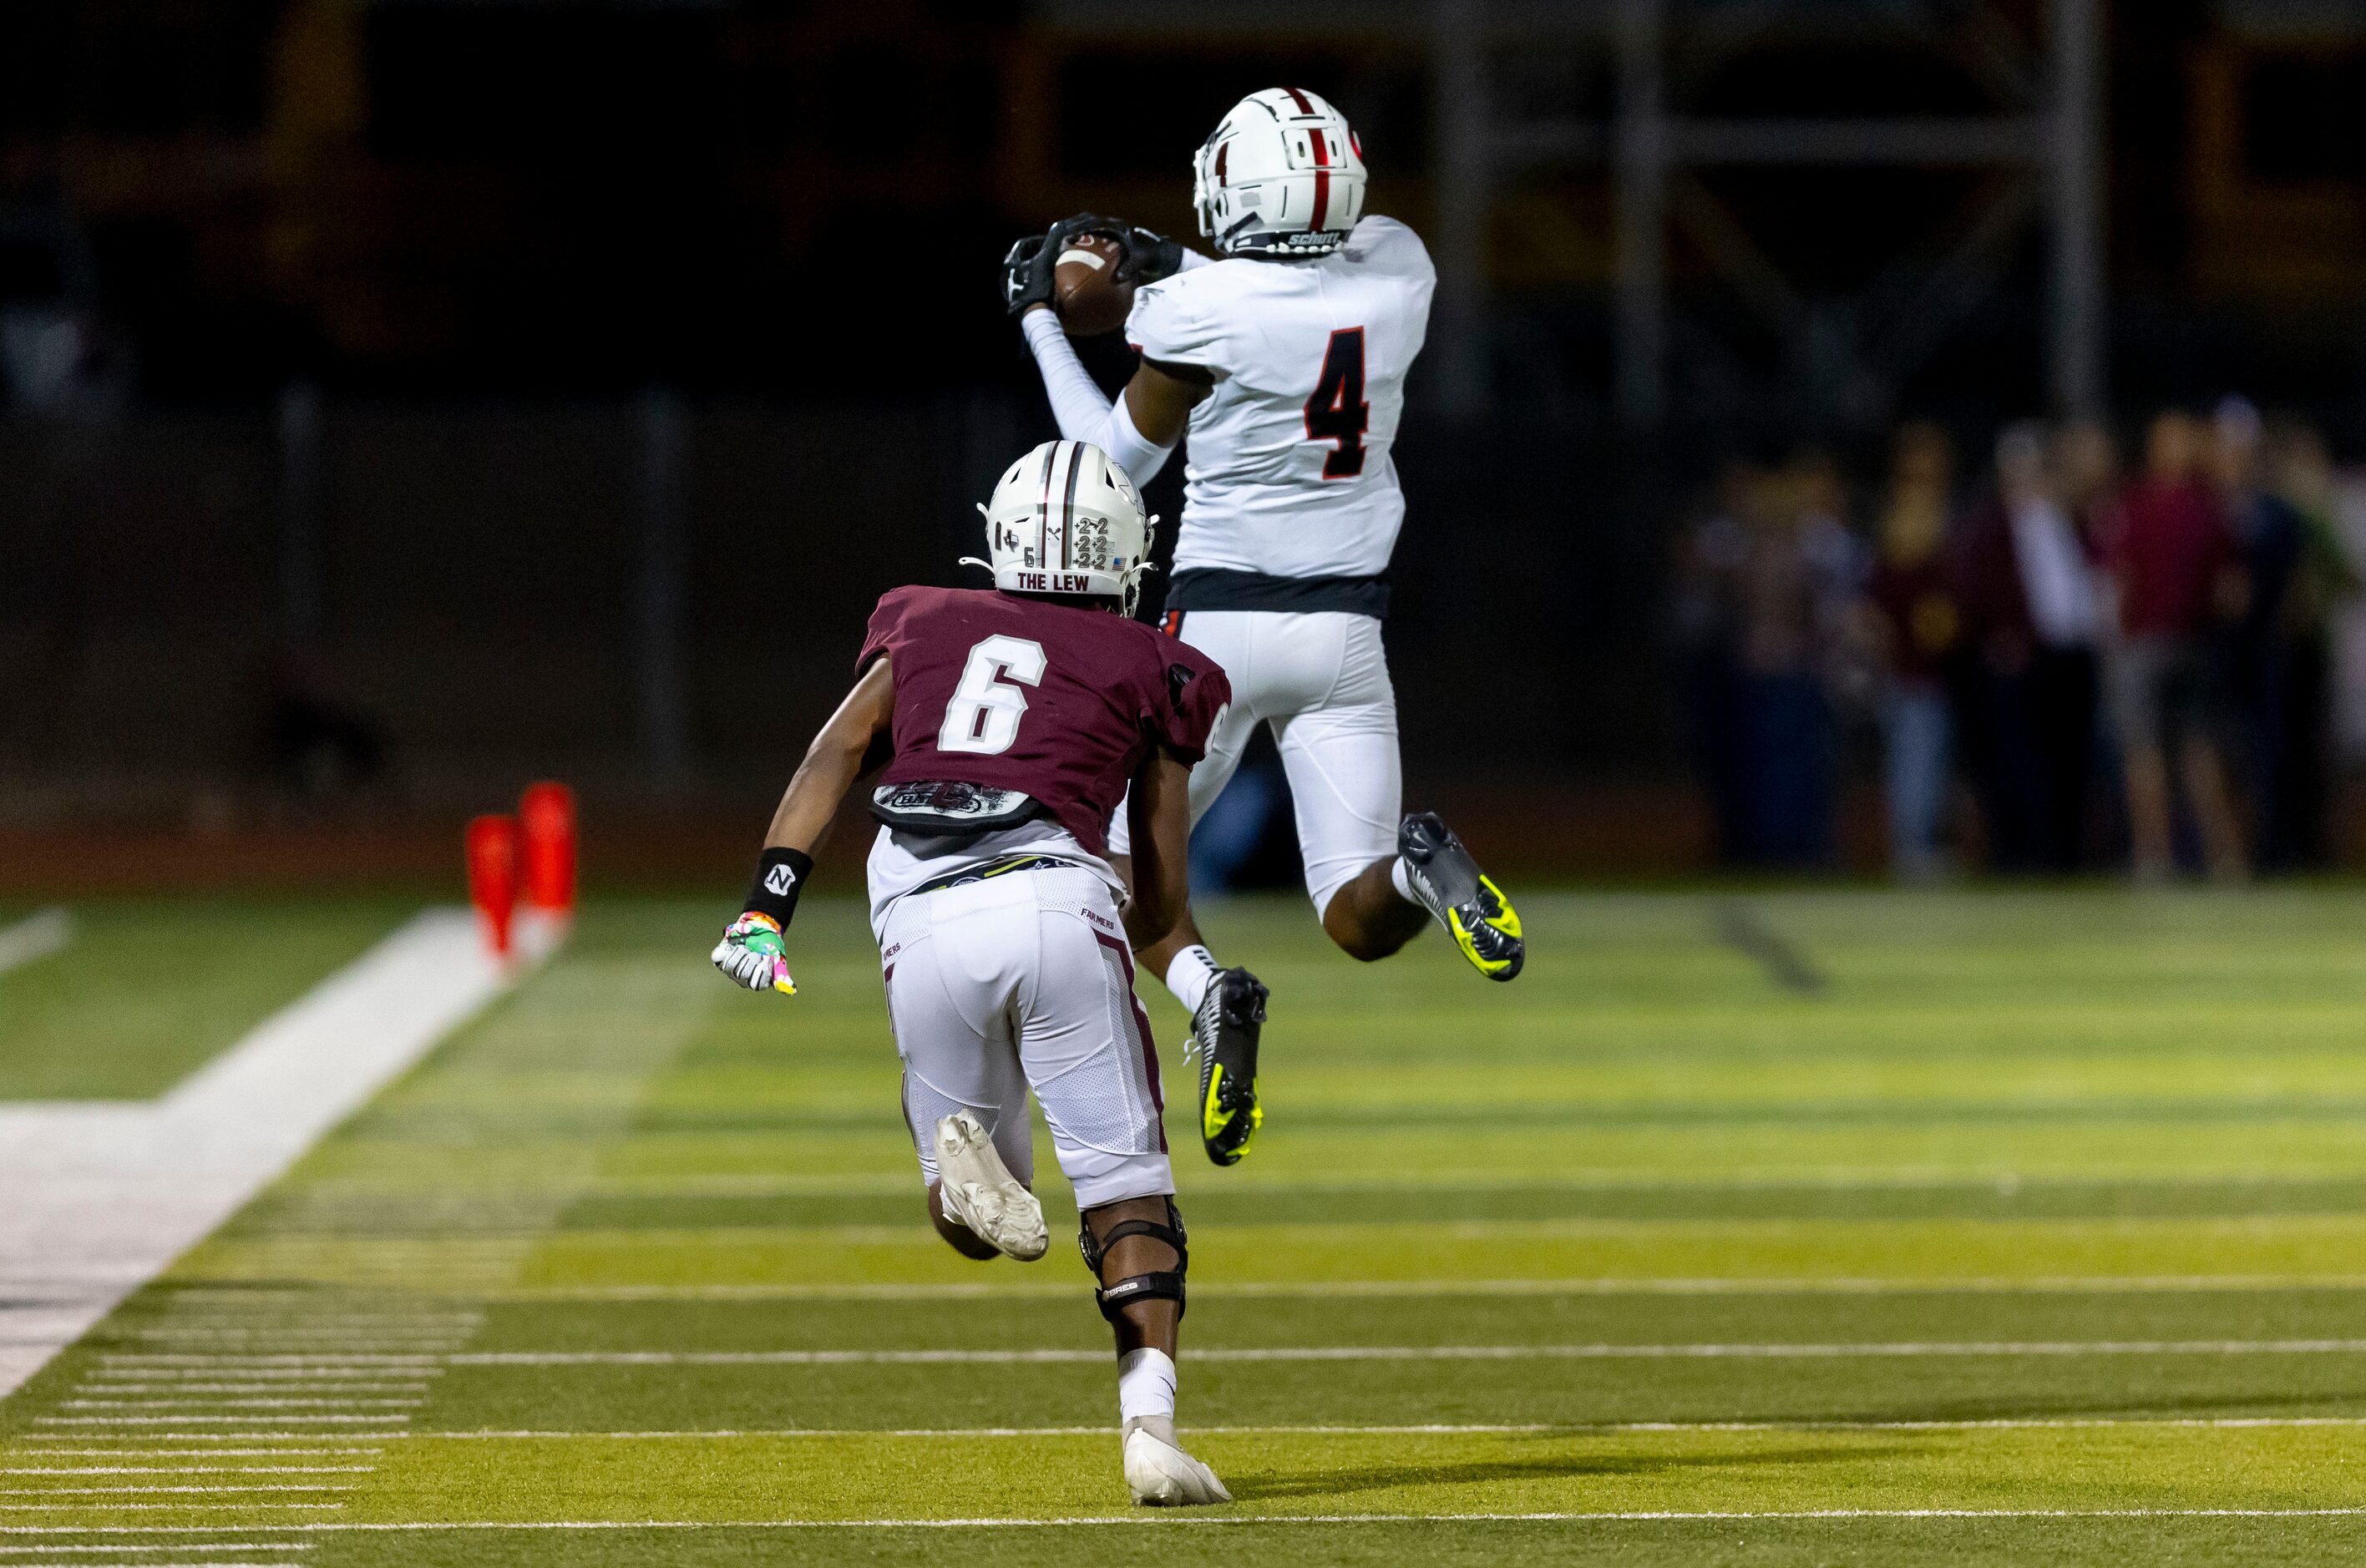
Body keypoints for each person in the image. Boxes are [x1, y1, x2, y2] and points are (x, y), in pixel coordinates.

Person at [1001, 87, 1525, 1170]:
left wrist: (1043, 319)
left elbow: (1105, 465)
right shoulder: (1400, 272)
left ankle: (1209, 993)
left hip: (1216, 635)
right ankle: (1426, 870)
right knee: (1353, 908)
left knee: (1115, 874)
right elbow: (1297, 274)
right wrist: (1171, 264)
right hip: (1348, 636)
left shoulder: (1201, 316)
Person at [709, 441, 1234, 1506]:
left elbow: (834, 754)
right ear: (1127, 553)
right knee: (1128, 1194)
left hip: (919, 916)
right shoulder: (1158, 662)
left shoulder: (926, 619)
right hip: (1054, 896)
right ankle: (1149, 1433)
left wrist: (767, 906)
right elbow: (1161, 900)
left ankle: (967, 1170)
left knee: (966, 1226)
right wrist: (1191, 970)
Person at [2095, 410, 2247, 882]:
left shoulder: (2192, 505)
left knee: (2186, 754)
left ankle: (2203, 859)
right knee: (2157, 756)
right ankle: (2176, 858)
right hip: (2158, 643)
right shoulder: (2174, 505)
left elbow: (2229, 588)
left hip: (2170, 645)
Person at [1861, 422, 1961, 880]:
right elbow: (1879, 606)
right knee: (1915, 758)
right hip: (1912, 670)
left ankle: (1920, 845)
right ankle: (1913, 850)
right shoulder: (1906, 523)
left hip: (1929, 669)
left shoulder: (1938, 519)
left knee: (1925, 758)